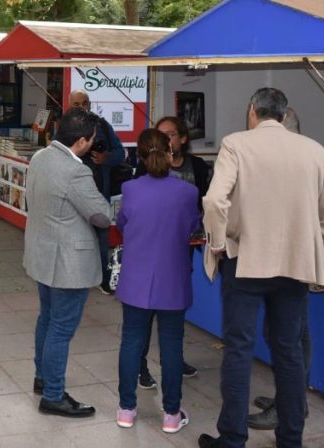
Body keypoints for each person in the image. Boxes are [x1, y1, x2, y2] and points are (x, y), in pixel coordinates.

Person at [198, 88, 324, 448]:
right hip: (294, 267)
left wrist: (218, 243)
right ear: (283, 113)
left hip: (245, 261)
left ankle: (232, 439)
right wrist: (308, 248)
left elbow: (215, 200)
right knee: (289, 350)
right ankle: (291, 439)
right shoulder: (314, 150)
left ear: (252, 111)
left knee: (239, 350)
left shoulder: (236, 144)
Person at [246, 106, 324, 432]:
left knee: (289, 337)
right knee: (287, 333)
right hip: (292, 260)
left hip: (298, 262)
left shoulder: (302, 159)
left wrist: (304, 254)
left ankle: (289, 407)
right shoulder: (304, 155)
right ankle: (291, 400)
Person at [24, 108, 112, 418]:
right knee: (61, 329)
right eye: (92, 140)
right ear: (83, 141)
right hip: (68, 263)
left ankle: (43, 376)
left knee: (46, 319)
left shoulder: (41, 157)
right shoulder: (76, 171)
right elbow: (101, 215)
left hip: (42, 253)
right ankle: (53, 395)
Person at [114, 128, 200, 433]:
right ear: (171, 153)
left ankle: (126, 410)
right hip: (173, 280)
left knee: (131, 342)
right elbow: (193, 227)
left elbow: (122, 223)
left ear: (139, 154)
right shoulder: (188, 192)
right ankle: (171, 414)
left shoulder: (131, 189)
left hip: (136, 280)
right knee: (172, 346)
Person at [132, 115, 210, 387]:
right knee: (145, 314)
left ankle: (172, 361)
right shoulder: (144, 173)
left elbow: (206, 204)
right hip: (151, 253)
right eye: (161, 134)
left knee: (172, 316)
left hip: (182, 251)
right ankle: (141, 365)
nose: (166, 139)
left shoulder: (198, 167)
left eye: (171, 134)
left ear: (183, 138)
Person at [68, 90, 125, 296]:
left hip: (99, 193)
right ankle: (74, 278)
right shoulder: (64, 128)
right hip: (72, 195)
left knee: (101, 238)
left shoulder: (102, 125)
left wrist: (105, 157)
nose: (81, 107)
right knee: (73, 237)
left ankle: (102, 279)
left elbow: (120, 153)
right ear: (69, 105)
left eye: (85, 103)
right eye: (76, 104)